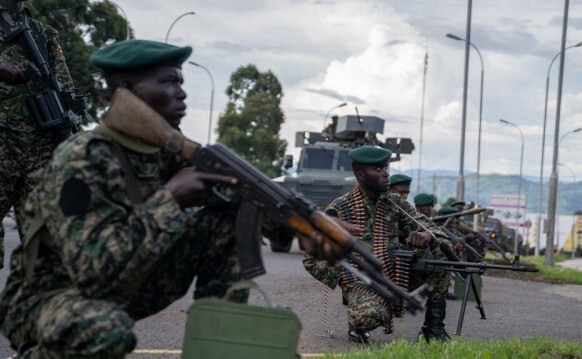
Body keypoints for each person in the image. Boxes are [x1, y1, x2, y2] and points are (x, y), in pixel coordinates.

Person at [0, 39, 335, 358]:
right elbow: (93, 271)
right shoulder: (81, 158)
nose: (183, 93)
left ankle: (218, 347)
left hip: (120, 284)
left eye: (181, 82)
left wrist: (305, 229)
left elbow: (241, 194)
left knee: (229, 217)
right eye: (169, 82)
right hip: (45, 298)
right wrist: (171, 197)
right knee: (103, 331)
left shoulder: (165, 149)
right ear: (127, 93)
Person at [303, 145, 454, 343]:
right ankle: (358, 316)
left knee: (440, 252)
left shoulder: (395, 203)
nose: (386, 174)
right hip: (361, 281)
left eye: (386, 168)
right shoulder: (340, 208)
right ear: (360, 175)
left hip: (396, 273)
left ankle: (432, 328)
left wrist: (426, 236)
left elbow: (435, 231)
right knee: (370, 315)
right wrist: (347, 274)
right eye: (378, 169)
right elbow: (312, 257)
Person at [0, 0, 77, 269]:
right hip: (2, 143)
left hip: (40, 147)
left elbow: (64, 85)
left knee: (43, 239)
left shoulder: (43, 33)